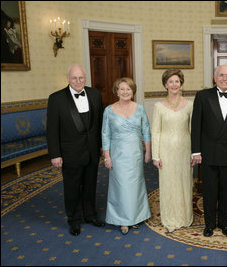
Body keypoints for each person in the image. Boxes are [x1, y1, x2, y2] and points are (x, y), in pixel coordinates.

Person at [47, 64, 105, 236]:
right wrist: (55, 154)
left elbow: (100, 123)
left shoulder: (95, 94)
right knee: (72, 187)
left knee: (90, 185)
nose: (78, 81)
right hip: (70, 152)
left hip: (92, 150)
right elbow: (52, 129)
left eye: (81, 78)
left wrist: (102, 145)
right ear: (68, 79)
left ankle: (90, 215)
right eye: (74, 78)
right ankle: (74, 220)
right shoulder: (56, 98)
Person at [191, 65, 227, 237]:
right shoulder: (202, 96)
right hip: (208, 153)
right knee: (209, 191)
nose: (224, 78)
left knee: (226, 191)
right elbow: (196, 126)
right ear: (215, 77)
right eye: (221, 75)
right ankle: (209, 225)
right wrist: (196, 151)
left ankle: (224, 223)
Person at [102, 77, 152, 235]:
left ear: (133, 91)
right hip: (118, 154)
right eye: (122, 89)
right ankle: (122, 219)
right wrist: (107, 156)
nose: (125, 92)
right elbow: (105, 135)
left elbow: (146, 131)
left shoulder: (140, 108)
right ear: (116, 91)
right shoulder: (109, 110)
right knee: (121, 187)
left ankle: (136, 216)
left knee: (136, 186)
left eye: (128, 89)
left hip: (136, 153)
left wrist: (148, 151)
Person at [151, 69, 194, 233]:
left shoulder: (190, 104)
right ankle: (170, 218)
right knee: (169, 183)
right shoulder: (158, 106)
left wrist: (194, 153)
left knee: (184, 182)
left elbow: (192, 131)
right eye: (171, 81)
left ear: (181, 83)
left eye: (177, 81)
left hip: (185, 149)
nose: (174, 84)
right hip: (166, 150)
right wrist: (156, 155)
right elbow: (156, 131)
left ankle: (184, 217)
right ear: (165, 84)